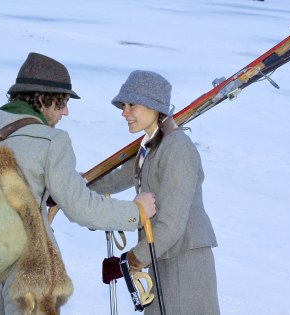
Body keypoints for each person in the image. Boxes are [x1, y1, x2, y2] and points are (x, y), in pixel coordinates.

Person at [0, 53, 156, 315]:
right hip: (26, 270)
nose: (66, 111)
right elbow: (81, 208)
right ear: (41, 99)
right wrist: (136, 212)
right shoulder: (52, 141)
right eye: (62, 102)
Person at [88, 70, 220, 314]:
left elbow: (171, 225)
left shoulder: (177, 148)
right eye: (124, 105)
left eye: (131, 105)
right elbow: (115, 179)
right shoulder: (152, 146)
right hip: (162, 256)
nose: (124, 112)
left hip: (185, 263)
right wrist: (73, 190)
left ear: (153, 106)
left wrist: (129, 262)